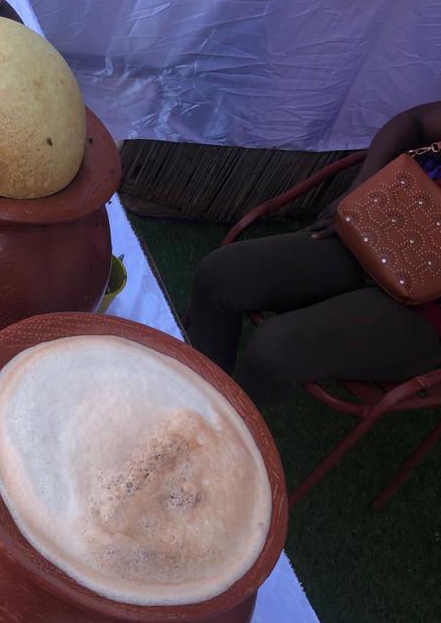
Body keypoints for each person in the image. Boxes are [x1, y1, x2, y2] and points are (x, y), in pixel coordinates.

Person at [186, 101, 441, 408]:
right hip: (379, 231)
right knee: (220, 275)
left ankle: (213, 434)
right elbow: (414, 121)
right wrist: (361, 187)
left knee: (275, 350)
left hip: (427, 313)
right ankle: (190, 394)